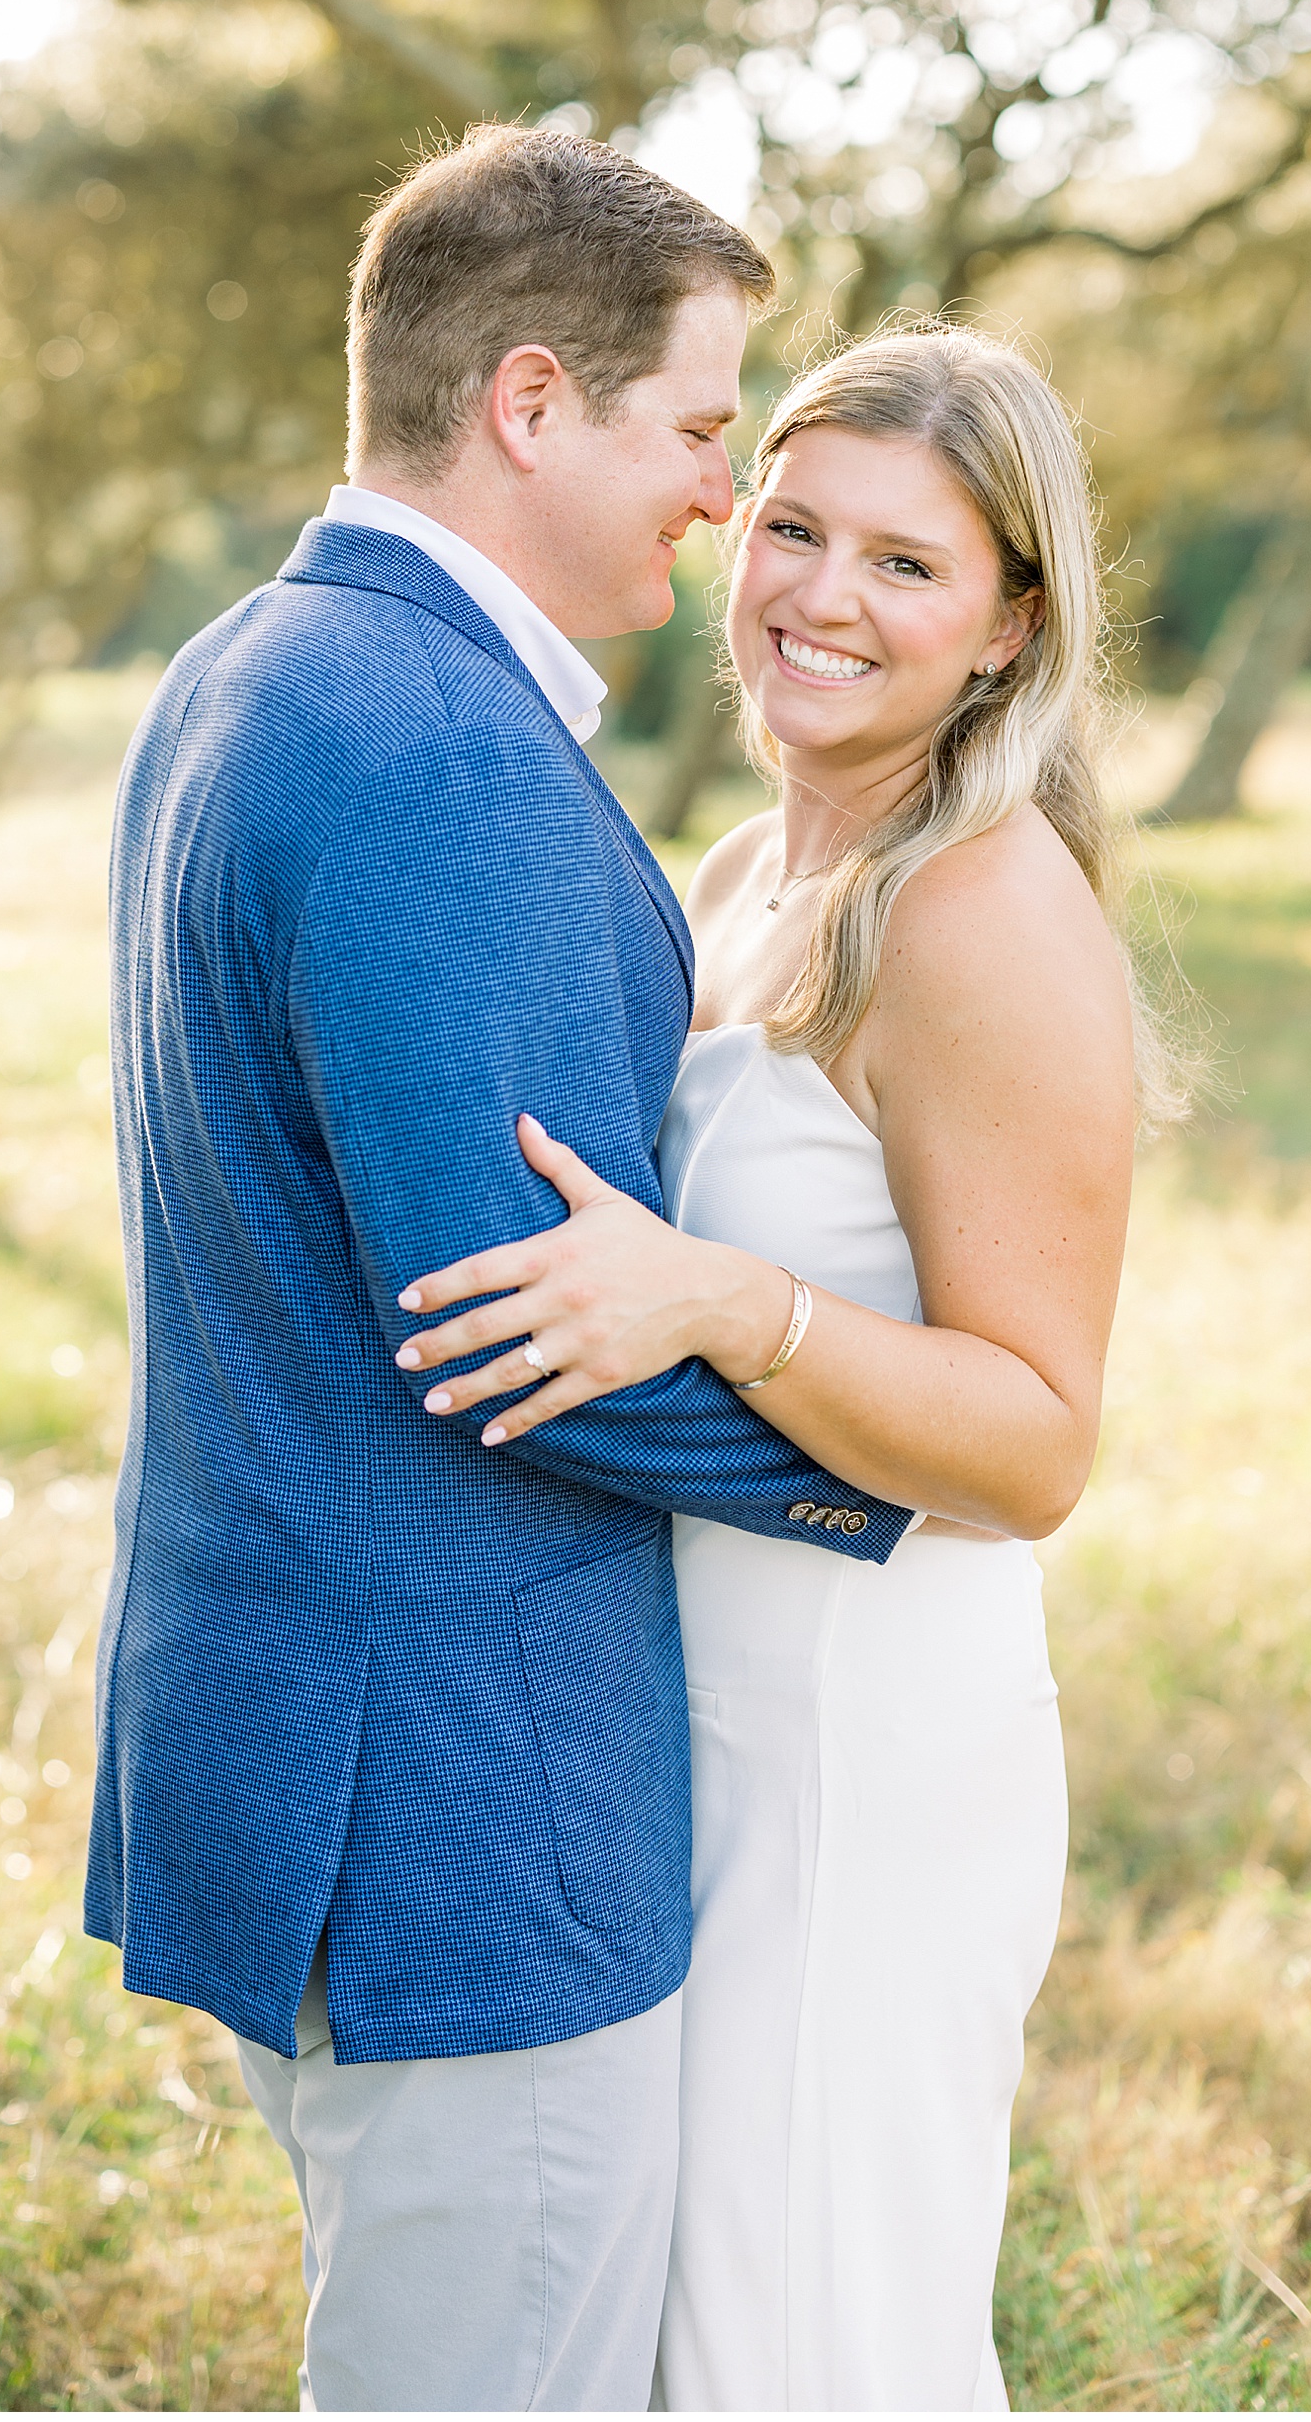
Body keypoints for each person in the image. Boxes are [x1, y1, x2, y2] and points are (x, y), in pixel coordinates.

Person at [86, 125, 920, 2415]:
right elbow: (506, 1310)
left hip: (299, 1738)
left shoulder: (253, 667)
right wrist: (919, 1481)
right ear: (533, 402)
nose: (720, 497)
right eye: (692, 428)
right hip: (468, 1801)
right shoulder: (436, 745)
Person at [398, 323, 1154, 2409]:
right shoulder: (747, 875)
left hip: (857, 1746)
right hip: (695, 1725)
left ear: (1012, 626)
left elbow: (1036, 1443)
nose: (823, 594)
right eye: (797, 527)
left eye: (908, 565)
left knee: (807, 2342)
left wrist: (735, 1306)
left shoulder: (982, 913)